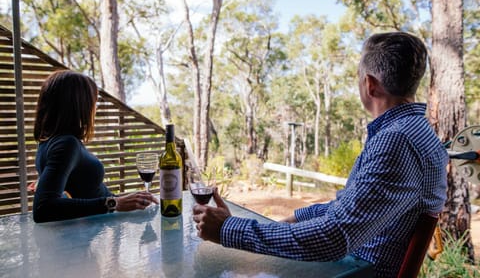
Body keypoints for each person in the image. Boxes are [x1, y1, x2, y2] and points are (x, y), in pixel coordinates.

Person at [193, 32, 448, 278]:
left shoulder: (396, 140)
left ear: (369, 84)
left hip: (355, 272)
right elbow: (352, 207)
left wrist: (227, 229)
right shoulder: (416, 132)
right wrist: (295, 218)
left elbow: (335, 237)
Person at [33, 70, 158, 223]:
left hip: (89, 232)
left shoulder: (50, 141)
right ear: (77, 104)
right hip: (82, 237)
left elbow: (87, 193)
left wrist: (127, 199)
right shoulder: (66, 144)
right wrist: (114, 203)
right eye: (93, 101)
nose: (95, 108)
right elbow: (43, 209)